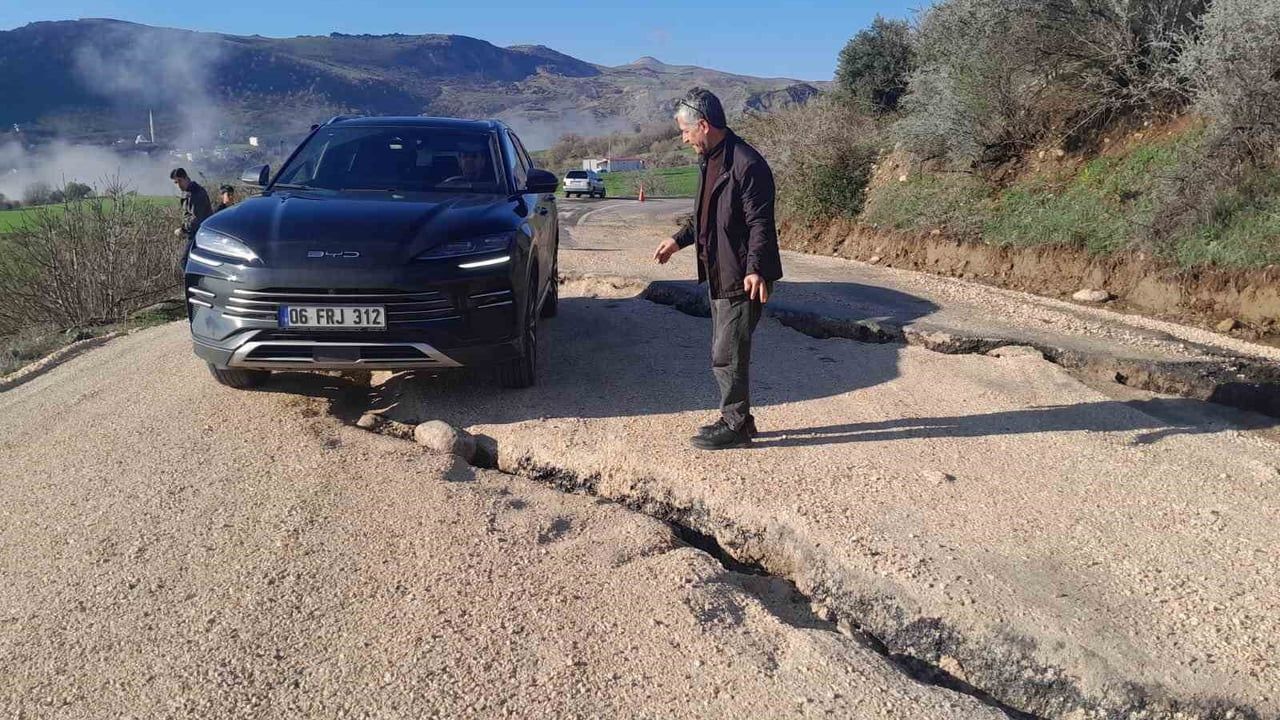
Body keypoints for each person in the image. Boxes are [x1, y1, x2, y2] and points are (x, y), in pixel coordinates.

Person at [653, 88, 784, 450]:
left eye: (685, 130)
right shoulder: (710, 160)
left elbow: (761, 222)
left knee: (727, 353)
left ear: (704, 125)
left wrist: (755, 268)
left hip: (743, 275)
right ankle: (738, 417)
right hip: (720, 272)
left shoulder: (746, 163)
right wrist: (678, 241)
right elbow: (704, 219)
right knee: (727, 348)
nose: (683, 138)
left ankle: (736, 425)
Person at [171, 168, 212, 241]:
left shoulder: (197, 193)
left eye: (180, 181)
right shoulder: (187, 192)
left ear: (186, 178)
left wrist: (183, 229)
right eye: (176, 182)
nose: (178, 185)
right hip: (194, 234)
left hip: (201, 235)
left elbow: (197, 218)